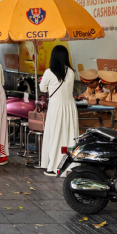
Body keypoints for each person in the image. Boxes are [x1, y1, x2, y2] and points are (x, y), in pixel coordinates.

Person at [40, 45, 78, 176]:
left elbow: (42, 88)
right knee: (69, 135)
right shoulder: (72, 72)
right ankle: (69, 166)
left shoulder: (49, 72)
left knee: (55, 135)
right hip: (70, 107)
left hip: (56, 107)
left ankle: (53, 167)